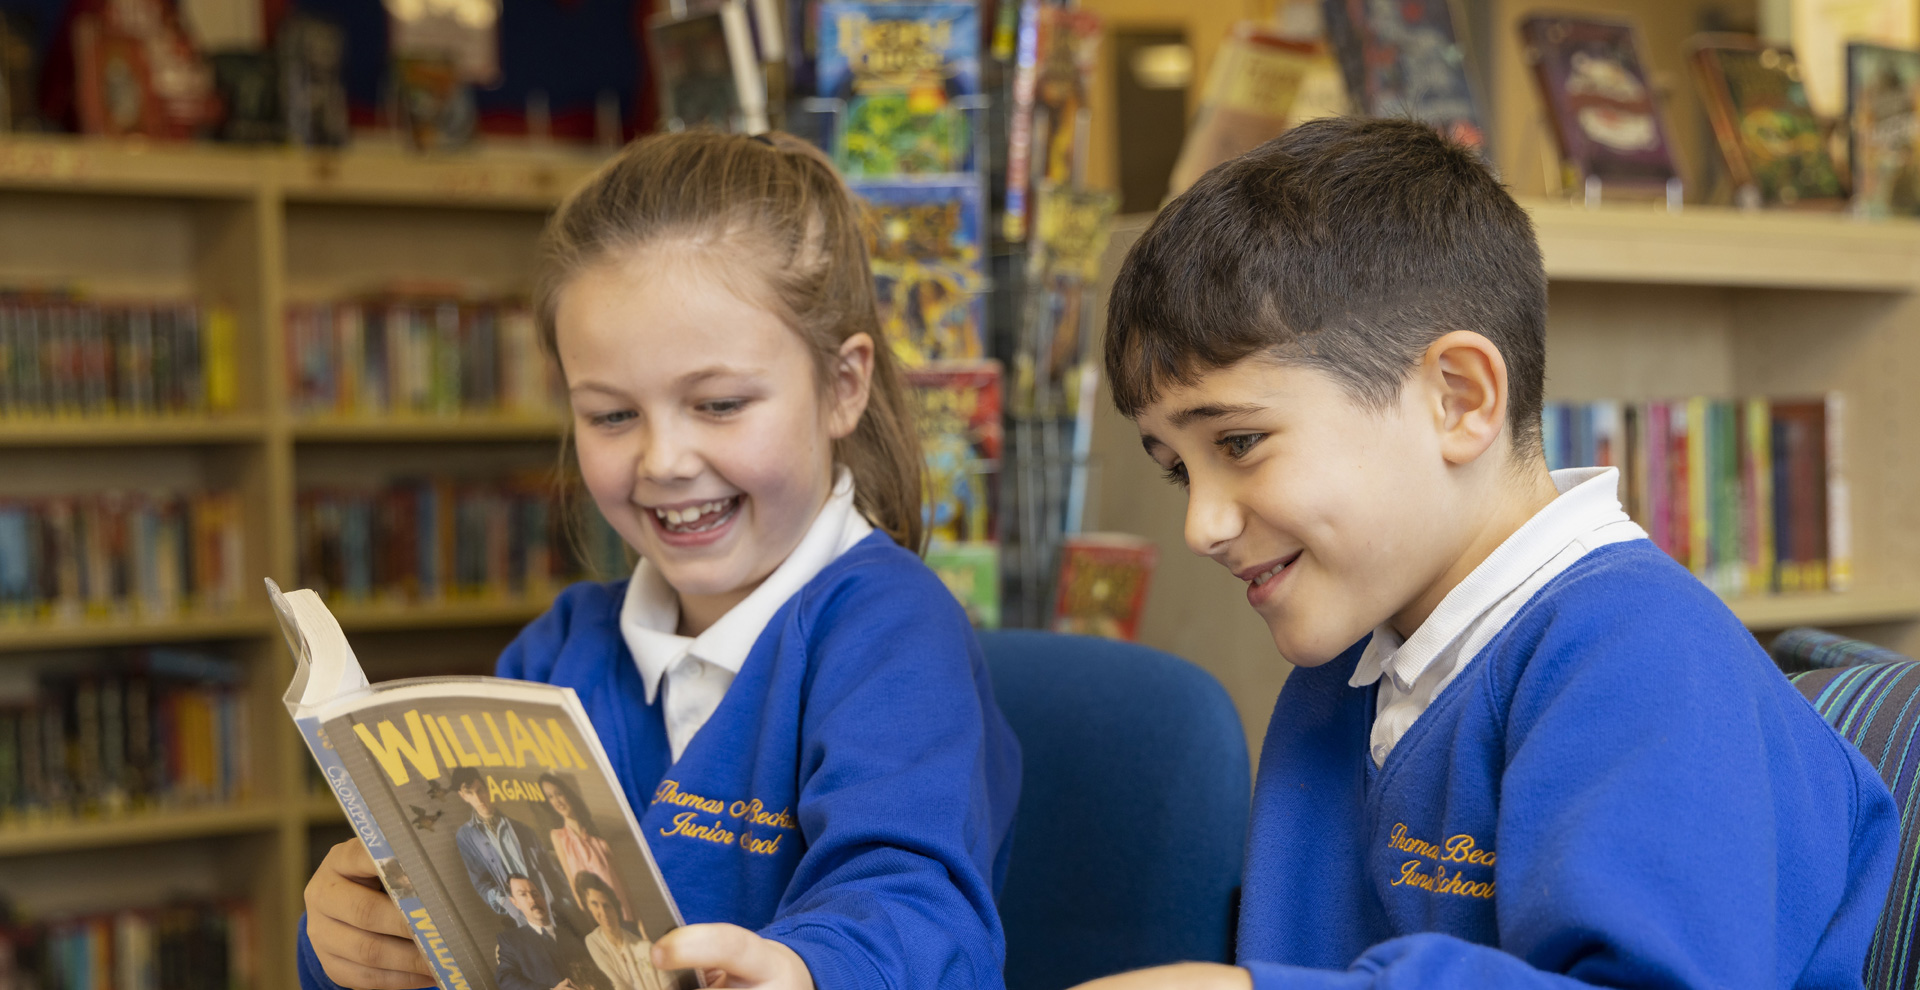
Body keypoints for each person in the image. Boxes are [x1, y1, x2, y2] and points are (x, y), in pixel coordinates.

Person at [1075, 117, 1898, 990]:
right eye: (1178, 471)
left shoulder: (1647, 658)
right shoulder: (1338, 678)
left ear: (1459, 400)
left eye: (1239, 443)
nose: (1201, 526)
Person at [298, 129, 1021, 990]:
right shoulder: (560, 650)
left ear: (843, 386)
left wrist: (805, 971)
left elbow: (917, 909)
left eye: (718, 404)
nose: (663, 461)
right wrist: (353, 945)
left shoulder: (893, 636)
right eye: (611, 415)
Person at [445, 765, 577, 930]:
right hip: (521, 916)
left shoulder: (521, 828)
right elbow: (481, 881)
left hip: (551, 908)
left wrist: (566, 902)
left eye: (480, 790)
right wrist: (505, 902)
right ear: (463, 796)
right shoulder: (466, 836)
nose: (478, 798)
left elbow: (551, 869)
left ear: (487, 788)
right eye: (470, 793)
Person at [541, 772, 634, 923]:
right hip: (598, 917)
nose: (557, 801)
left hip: (621, 913)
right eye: (550, 797)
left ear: (568, 794)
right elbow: (571, 881)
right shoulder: (557, 836)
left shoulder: (598, 839)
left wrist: (640, 925)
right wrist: (587, 916)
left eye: (559, 793)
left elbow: (623, 885)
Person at [496, 874, 605, 990]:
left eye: (535, 893)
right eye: (523, 894)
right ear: (515, 902)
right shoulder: (512, 941)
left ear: (543, 896)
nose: (532, 900)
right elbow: (505, 980)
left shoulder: (571, 932)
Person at [577, 872, 670, 990]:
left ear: (615, 909)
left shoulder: (645, 948)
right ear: (588, 907)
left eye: (606, 906)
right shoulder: (593, 941)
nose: (603, 913)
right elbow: (615, 982)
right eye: (595, 904)